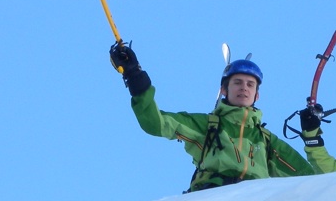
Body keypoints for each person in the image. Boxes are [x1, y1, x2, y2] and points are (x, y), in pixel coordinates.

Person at [109, 43, 319, 192]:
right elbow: (156, 123)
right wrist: (135, 77)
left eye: (250, 84)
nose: (244, 88)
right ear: (224, 89)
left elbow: (309, 179)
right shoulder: (207, 126)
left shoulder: (265, 140)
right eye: (237, 82)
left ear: (257, 95)